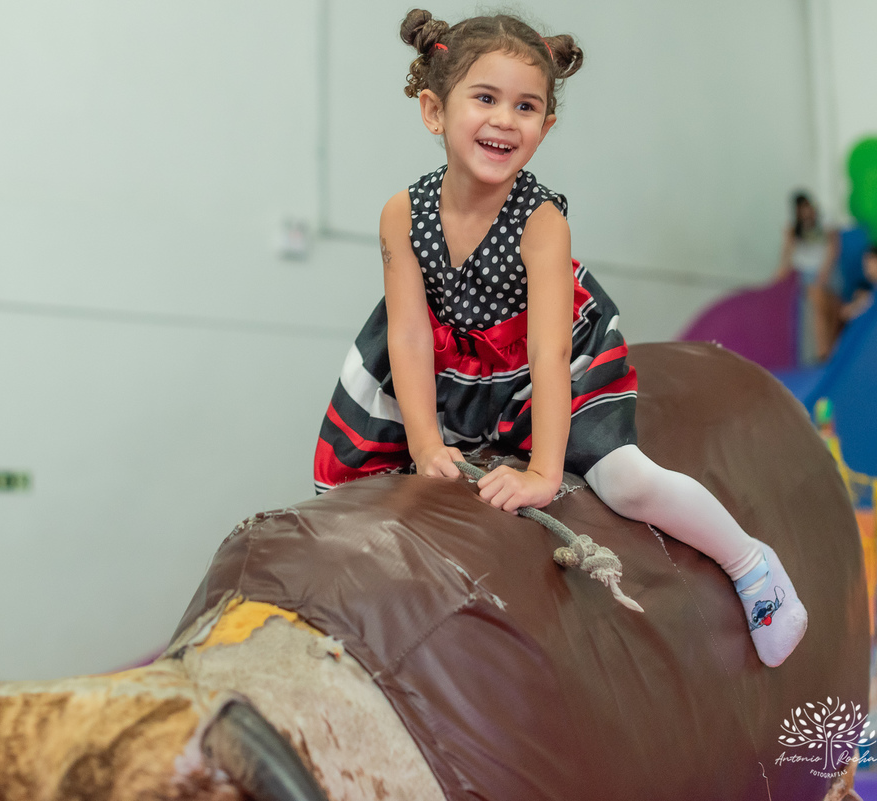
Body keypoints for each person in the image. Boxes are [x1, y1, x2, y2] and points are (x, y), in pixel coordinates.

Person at [312, 9, 807, 667]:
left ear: (545, 128)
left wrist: (545, 472)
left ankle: (751, 563)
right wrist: (426, 442)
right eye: (484, 98)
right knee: (359, 491)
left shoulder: (540, 221)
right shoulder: (402, 213)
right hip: (443, 363)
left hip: (541, 360)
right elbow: (405, 332)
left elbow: (546, 352)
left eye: (526, 106)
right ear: (435, 110)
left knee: (628, 482)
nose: (504, 119)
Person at [774, 192, 841, 363]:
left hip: (827, 274)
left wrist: (822, 277)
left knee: (828, 309)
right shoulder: (793, 229)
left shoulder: (825, 221)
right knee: (816, 302)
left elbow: (833, 251)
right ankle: (823, 353)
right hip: (806, 277)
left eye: (807, 207)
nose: (805, 212)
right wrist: (776, 280)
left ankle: (828, 353)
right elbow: (786, 258)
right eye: (800, 210)